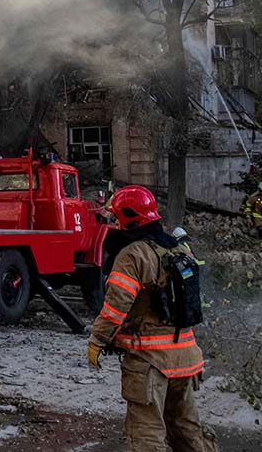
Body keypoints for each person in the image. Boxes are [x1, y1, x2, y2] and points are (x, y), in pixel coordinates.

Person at [86, 185, 215, 452]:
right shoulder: (180, 250)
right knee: (186, 429)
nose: (111, 224)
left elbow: (116, 306)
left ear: (128, 219)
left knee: (146, 434)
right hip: (187, 358)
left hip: (150, 362)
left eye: (114, 218)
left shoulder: (133, 255)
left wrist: (97, 340)